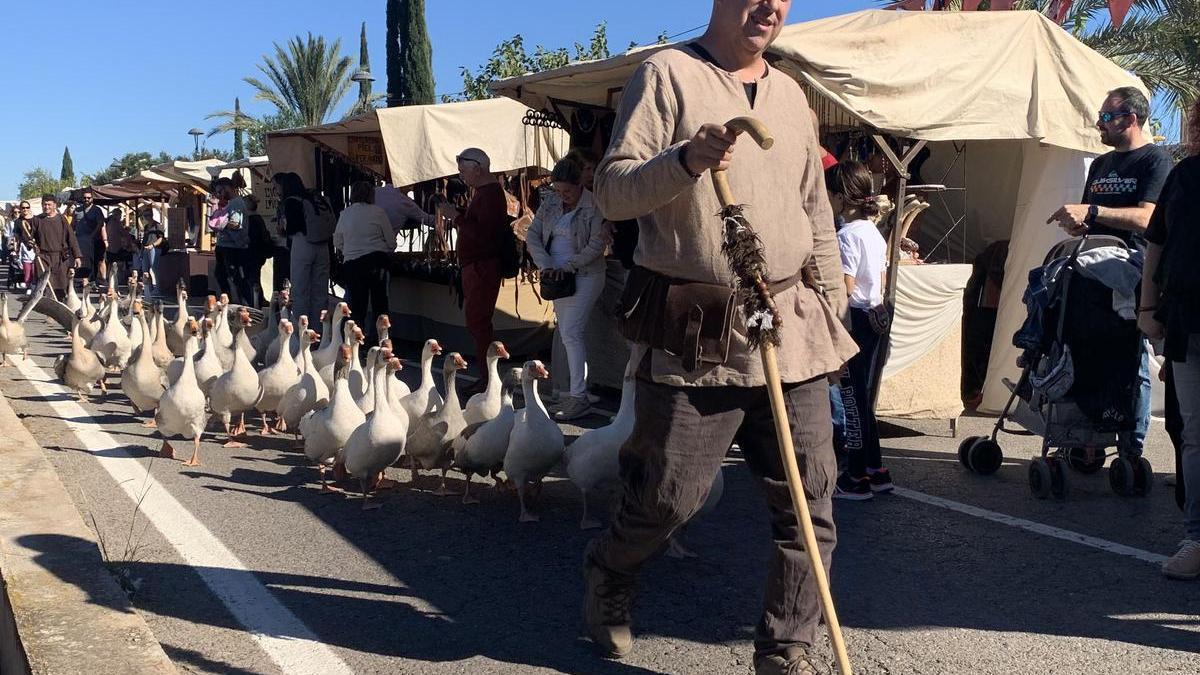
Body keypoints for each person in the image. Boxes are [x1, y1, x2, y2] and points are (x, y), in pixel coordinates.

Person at [585, 1, 858, 672]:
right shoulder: (667, 75)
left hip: (787, 322)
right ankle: (610, 570)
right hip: (695, 326)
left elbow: (814, 210)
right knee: (668, 495)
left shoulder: (792, 96)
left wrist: (833, 306)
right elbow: (613, 193)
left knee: (809, 497)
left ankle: (786, 649)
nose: (770, 5)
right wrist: (683, 160)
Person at [1047, 86, 1173, 462]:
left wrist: (1093, 213)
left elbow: (1150, 218)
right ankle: (1087, 429)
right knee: (1083, 338)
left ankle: (1131, 446)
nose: (1098, 124)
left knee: (1131, 351)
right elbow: (1090, 214)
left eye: (1105, 117)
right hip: (1092, 262)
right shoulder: (1101, 165)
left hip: (1133, 264)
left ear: (1130, 120)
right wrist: (1077, 222)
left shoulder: (1155, 161)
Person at [1139, 97, 1200, 580]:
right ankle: (1196, 538)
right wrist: (1146, 306)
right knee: (1193, 435)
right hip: (1187, 322)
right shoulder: (1184, 176)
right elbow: (1156, 243)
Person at [525, 157, 611, 421]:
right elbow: (533, 236)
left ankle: (578, 397)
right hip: (556, 277)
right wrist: (546, 263)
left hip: (585, 274)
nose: (563, 197)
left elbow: (597, 244)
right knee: (569, 333)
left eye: (568, 192)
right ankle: (576, 390)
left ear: (580, 185)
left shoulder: (594, 205)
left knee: (571, 333)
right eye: (558, 191)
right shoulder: (550, 202)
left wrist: (570, 265)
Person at [825, 160, 891, 500]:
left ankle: (855, 476)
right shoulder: (874, 233)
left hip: (854, 319)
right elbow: (878, 280)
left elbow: (844, 286)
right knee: (863, 398)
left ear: (840, 198)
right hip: (876, 314)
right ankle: (876, 469)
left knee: (850, 398)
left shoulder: (846, 235)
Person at [443, 148, 510, 396]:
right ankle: (486, 377)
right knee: (478, 323)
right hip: (477, 266)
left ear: (477, 168)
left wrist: (457, 218)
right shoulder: (485, 194)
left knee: (479, 323)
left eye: (463, 170)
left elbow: (485, 236)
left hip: (482, 267)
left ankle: (488, 379)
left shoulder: (490, 195)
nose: (462, 175)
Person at [333, 181, 395, 345]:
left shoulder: (345, 214)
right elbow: (391, 241)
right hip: (377, 261)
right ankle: (380, 340)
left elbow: (337, 240)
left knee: (357, 306)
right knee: (380, 304)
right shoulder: (378, 212)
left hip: (353, 264)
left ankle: (356, 341)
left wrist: (349, 249)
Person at [275, 172, 331, 325]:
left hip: (302, 244)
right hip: (323, 245)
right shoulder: (314, 197)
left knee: (300, 290)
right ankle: (319, 329)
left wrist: (282, 229)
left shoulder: (292, 201)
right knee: (320, 290)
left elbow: (291, 229)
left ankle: (301, 329)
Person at [210, 177, 253, 305]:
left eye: (220, 191)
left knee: (235, 278)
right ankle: (228, 301)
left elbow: (236, 224)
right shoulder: (227, 204)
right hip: (224, 245)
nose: (219, 194)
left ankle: (243, 304)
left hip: (233, 247)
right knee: (221, 275)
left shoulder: (236, 203)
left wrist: (221, 224)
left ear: (227, 188)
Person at [31, 194, 81, 295]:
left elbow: (71, 238)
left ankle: (60, 305)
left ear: (55, 205)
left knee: (61, 285)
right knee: (45, 285)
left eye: (49, 204)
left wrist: (77, 256)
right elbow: (30, 237)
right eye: (44, 204)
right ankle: (47, 306)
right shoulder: (37, 220)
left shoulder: (62, 219)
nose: (46, 207)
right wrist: (30, 243)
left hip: (60, 258)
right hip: (43, 257)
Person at [243, 195, 271, 308]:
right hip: (259, 254)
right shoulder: (259, 219)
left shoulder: (251, 221)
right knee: (255, 277)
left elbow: (251, 239)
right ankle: (258, 300)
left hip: (252, 254)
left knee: (252, 279)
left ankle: (256, 302)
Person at [74, 189, 104, 283]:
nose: (86, 199)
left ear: (92, 199)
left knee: (92, 261)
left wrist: (92, 236)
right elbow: (73, 224)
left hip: (92, 241)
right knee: (80, 260)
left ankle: (92, 280)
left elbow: (100, 224)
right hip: (79, 240)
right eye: (85, 198)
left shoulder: (97, 210)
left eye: (88, 198)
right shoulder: (77, 210)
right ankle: (81, 280)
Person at [103, 209, 137, 285]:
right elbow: (124, 233)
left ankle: (109, 280)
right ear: (117, 214)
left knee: (110, 264)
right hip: (114, 248)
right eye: (120, 215)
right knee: (117, 265)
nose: (120, 217)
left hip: (110, 247)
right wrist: (130, 241)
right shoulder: (116, 222)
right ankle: (115, 280)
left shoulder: (109, 222)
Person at [138, 207, 164, 297]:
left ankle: (158, 288)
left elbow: (161, 238)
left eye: (148, 215)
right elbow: (144, 240)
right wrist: (141, 251)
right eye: (145, 216)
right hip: (145, 248)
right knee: (145, 269)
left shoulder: (157, 225)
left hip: (154, 248)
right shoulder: (146, 227)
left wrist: (153, 245)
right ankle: (149, 288)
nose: (146, 217)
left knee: (154, 268)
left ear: (152, 215)